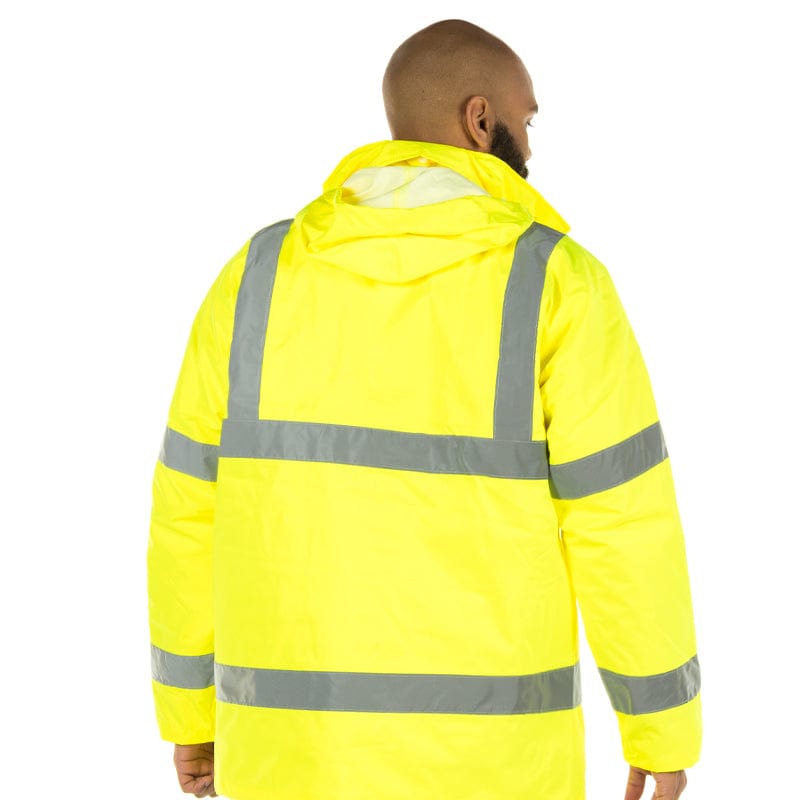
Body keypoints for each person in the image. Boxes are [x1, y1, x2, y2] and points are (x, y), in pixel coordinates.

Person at [148, 19, 701, 800]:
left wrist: (190, 717)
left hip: (291, 763)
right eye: (526, 121)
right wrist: (660, 730)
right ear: (480, 119)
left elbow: (187, 516)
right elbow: (622, 522)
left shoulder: (256, 278)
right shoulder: (555, 283)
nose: (530, 146)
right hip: (497, 769)